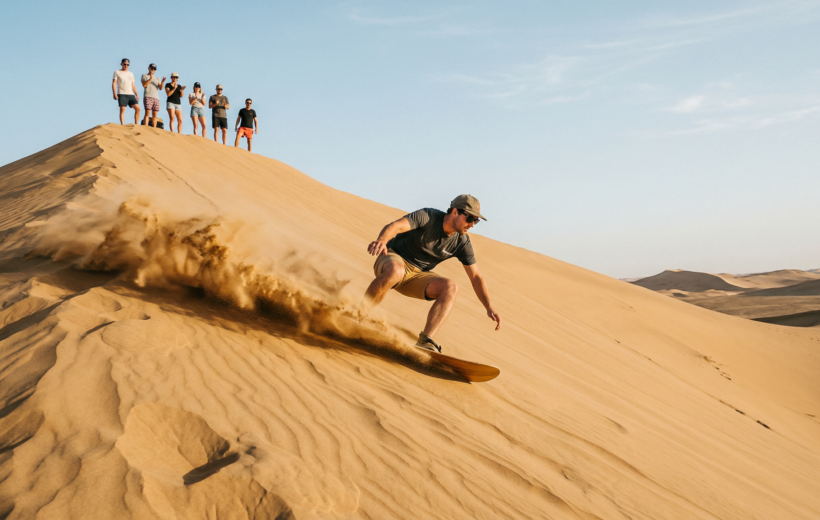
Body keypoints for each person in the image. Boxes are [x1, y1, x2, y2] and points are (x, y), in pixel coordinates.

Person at [363, 194, 501, 352]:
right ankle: (358, 314)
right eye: (470, 218)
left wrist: (489, 306)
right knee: (396, 271)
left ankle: (425, 340)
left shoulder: (462, 242)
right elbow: (396, 226)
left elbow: (476, 276)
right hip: (393, 259)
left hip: (417, 276)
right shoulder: (428, 216)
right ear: (455, 212)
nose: (472, 225)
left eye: (476, 221)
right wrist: (382, 240)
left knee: (450, 287)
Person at [112, 59, 140, 125]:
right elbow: (114, 83)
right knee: (122, 109)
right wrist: (114, 93)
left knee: (138, 108)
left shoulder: (131, 74)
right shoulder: (117, 72)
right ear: (121, 64)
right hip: (121, 93)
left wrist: (137, 94)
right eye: (124, 64)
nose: (126, 66)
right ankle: (122, 125)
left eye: (128, 64)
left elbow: (133, 85)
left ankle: (136, 125)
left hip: (130, 94)